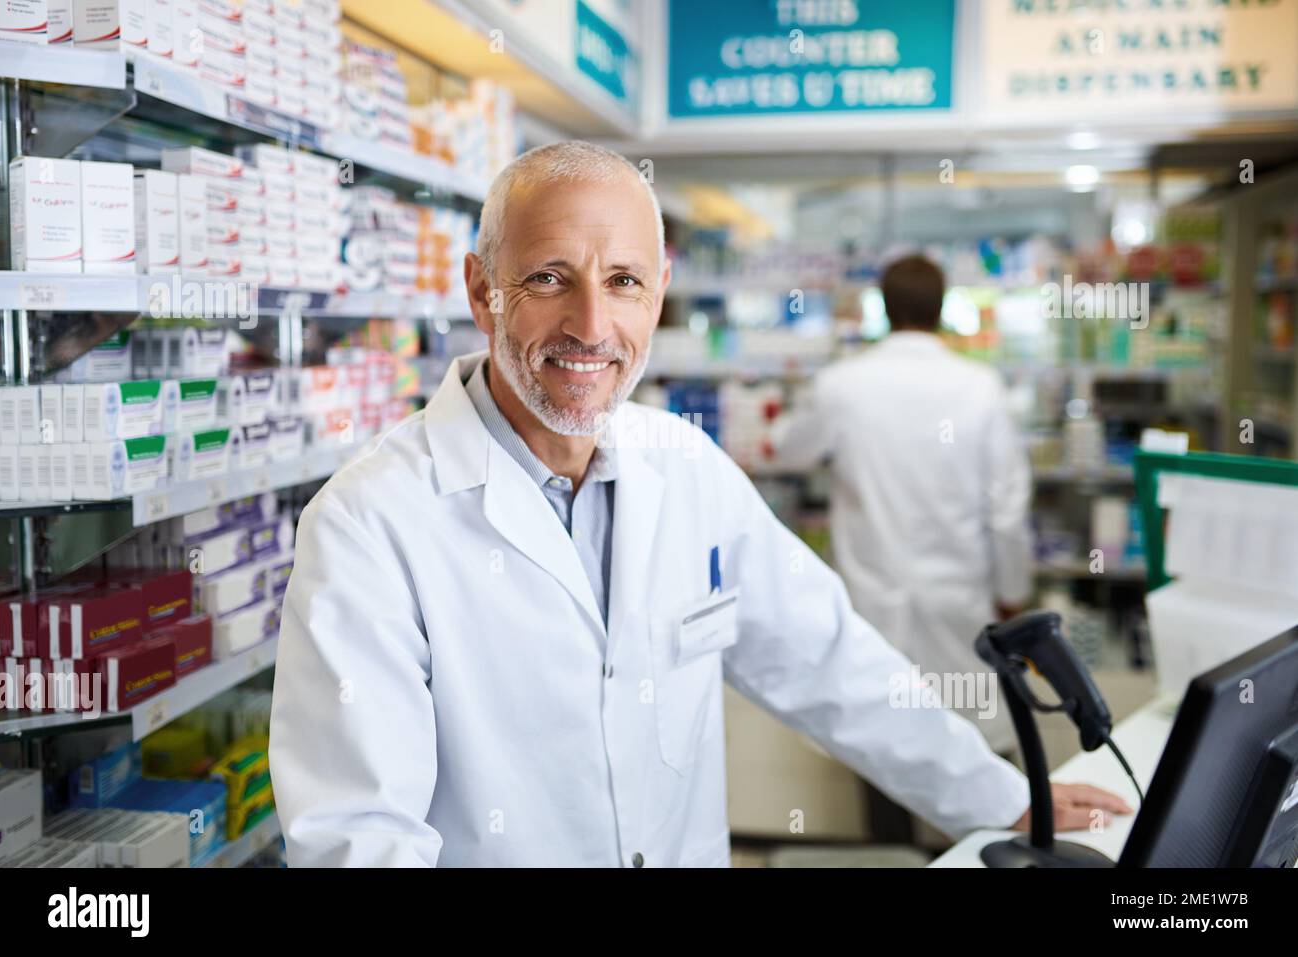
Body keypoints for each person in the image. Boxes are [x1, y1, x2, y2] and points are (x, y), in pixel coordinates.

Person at [268, 143, 1129, 867]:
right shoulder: (369, 524)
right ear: (481, 288)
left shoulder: (684, 468)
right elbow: (357, 840)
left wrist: (1003, 797)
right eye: (548, 277)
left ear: (663, 287)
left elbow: (829, 661)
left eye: (626, 281)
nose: (592, 324)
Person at [771, 254, 1032, 757]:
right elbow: (1007, 509)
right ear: (942, 307)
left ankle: (892, 837)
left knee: (878, 739)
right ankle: (969, 838)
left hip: (873, 594)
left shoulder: (842, 384)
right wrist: (1013, 592)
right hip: (960, 596)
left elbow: (790, 451)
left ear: (884, 308)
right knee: (977, 743)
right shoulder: (981, 387)